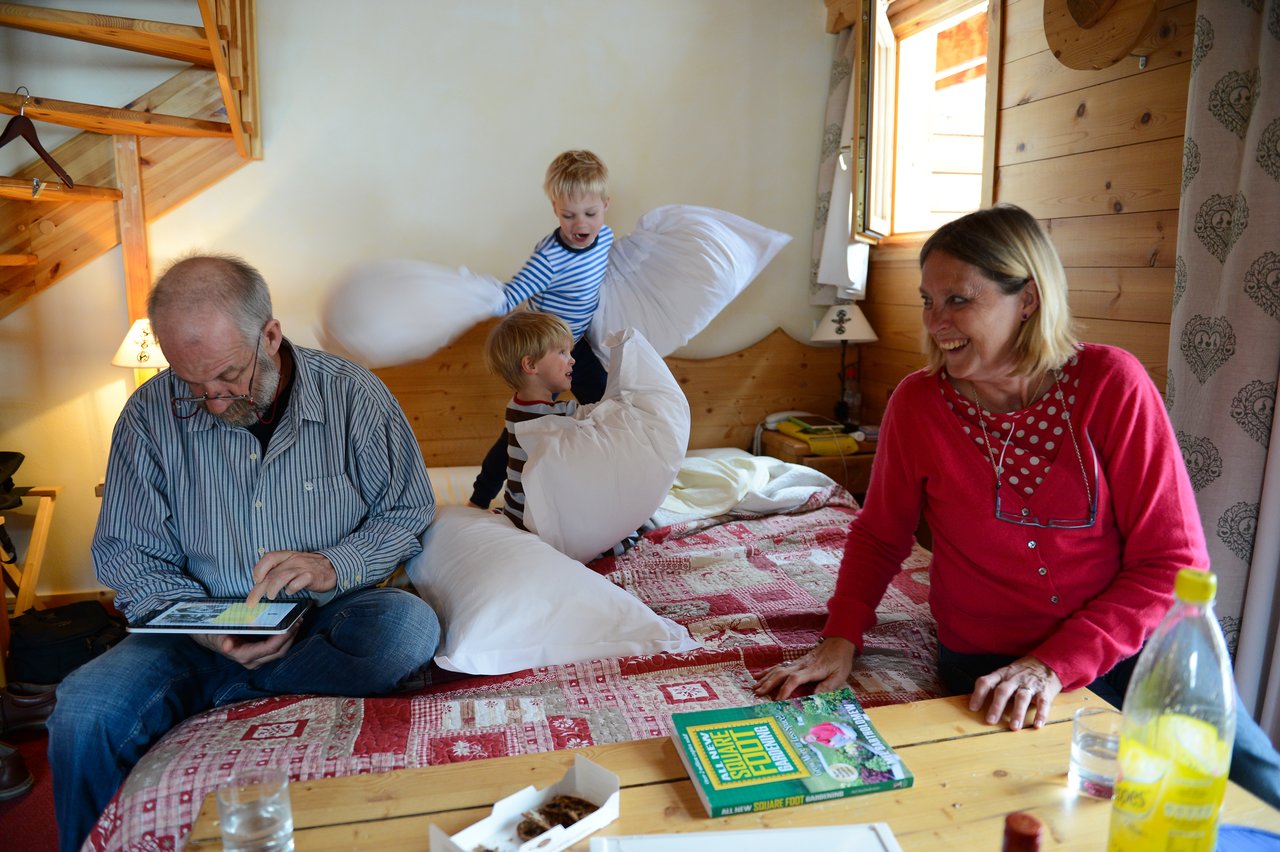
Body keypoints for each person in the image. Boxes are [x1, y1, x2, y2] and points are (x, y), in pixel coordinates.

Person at [753, 203, 1280, 806]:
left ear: (1026, 298)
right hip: (989, 659)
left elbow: (1174, 562)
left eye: (957, 300)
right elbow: (879, 536)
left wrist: (1054, 664)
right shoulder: (918, 404)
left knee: (1254, 786)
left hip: (1136, 648)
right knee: (1034, 813)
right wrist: (840, 637)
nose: (935, 321)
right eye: (927, 300)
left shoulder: (1112, 383)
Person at [48, 254, 441, 851]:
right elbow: (128, 554)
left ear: (271, 335)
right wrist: (204, 630)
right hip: (193, 631)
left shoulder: (354, 397)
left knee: (407, 628)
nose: (211, 401)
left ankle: (219, 697)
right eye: (191, 383)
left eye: (228, 376)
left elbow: (406, 510)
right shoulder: (148, 418)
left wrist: (332, 563)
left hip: (322, 620)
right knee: (82, 711)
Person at [469, 149, 613, 509]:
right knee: (521, 426)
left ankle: (612, 486)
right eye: (568, 215)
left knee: (608, 408)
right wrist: (470, 297)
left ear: (606, 205)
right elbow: (507, 300)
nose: (580, 224)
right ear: (555, 209)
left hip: (575, 345)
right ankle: (481, 496)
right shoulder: (549, 258)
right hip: (542, 351)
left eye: (590, 214)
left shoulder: (607, 238)